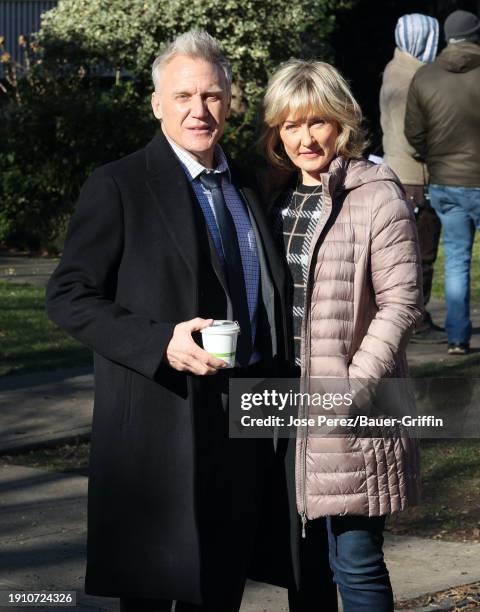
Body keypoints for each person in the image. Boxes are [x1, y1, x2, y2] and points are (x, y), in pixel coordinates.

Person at [46, 30, 292, 612]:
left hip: (246, 414)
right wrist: (161, 343)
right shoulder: (120, 184)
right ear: (157, 104)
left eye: (211, 96)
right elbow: (69, 295)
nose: (198, 111)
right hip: (161, 420)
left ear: (230, 102)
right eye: (183, 96)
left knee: (225, 583)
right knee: (153, 593)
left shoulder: (253, 184)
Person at [260, 59, 423, 612]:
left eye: (317, 122)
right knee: (300, 567)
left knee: (354, 561)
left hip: (353, 404)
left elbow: (402, 303)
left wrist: (353, 388)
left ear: (341, 122)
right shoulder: (269, 198)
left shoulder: (375, 192)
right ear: (276, 132)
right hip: (282, 404)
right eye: (290, 125)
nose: (305, 138)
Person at [405, 10, 480, 355]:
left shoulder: (425, 76)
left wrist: (434, 157)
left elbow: (414, 134)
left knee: (457, 260)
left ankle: (457, 338)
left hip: (446, 181)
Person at [380, 13, 445, 343]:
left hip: (399, 171)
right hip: (414, 178)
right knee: (422, 252)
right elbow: (413, 136)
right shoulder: (413, 79)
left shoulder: (396, 68)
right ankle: (415, 319)